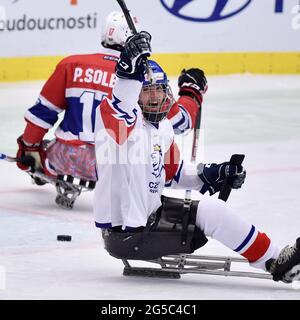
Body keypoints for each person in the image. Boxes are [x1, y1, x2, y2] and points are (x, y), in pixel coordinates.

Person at [93, 31, 300, 284]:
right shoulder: (119, 126)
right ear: (135, 93)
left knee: (214, 212)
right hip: (126, 233)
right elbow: (119, 104)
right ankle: (276, 260)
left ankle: (277, 260)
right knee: (214, 213)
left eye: (159, 89)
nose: (156, 96)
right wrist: (127, 69)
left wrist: (212, 174)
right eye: (147, 90)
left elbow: (172, 173)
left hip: (149, 216)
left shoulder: (162, 127)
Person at [15, 11, 207, 209]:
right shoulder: (144, 76)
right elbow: (181, 123)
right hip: (112, 167)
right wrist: (191, 93)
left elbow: (41, 115)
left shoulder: (71, 64)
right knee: (153, 145)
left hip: (63, 159)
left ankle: (51, 168)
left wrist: (29, 150)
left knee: (44, 146)